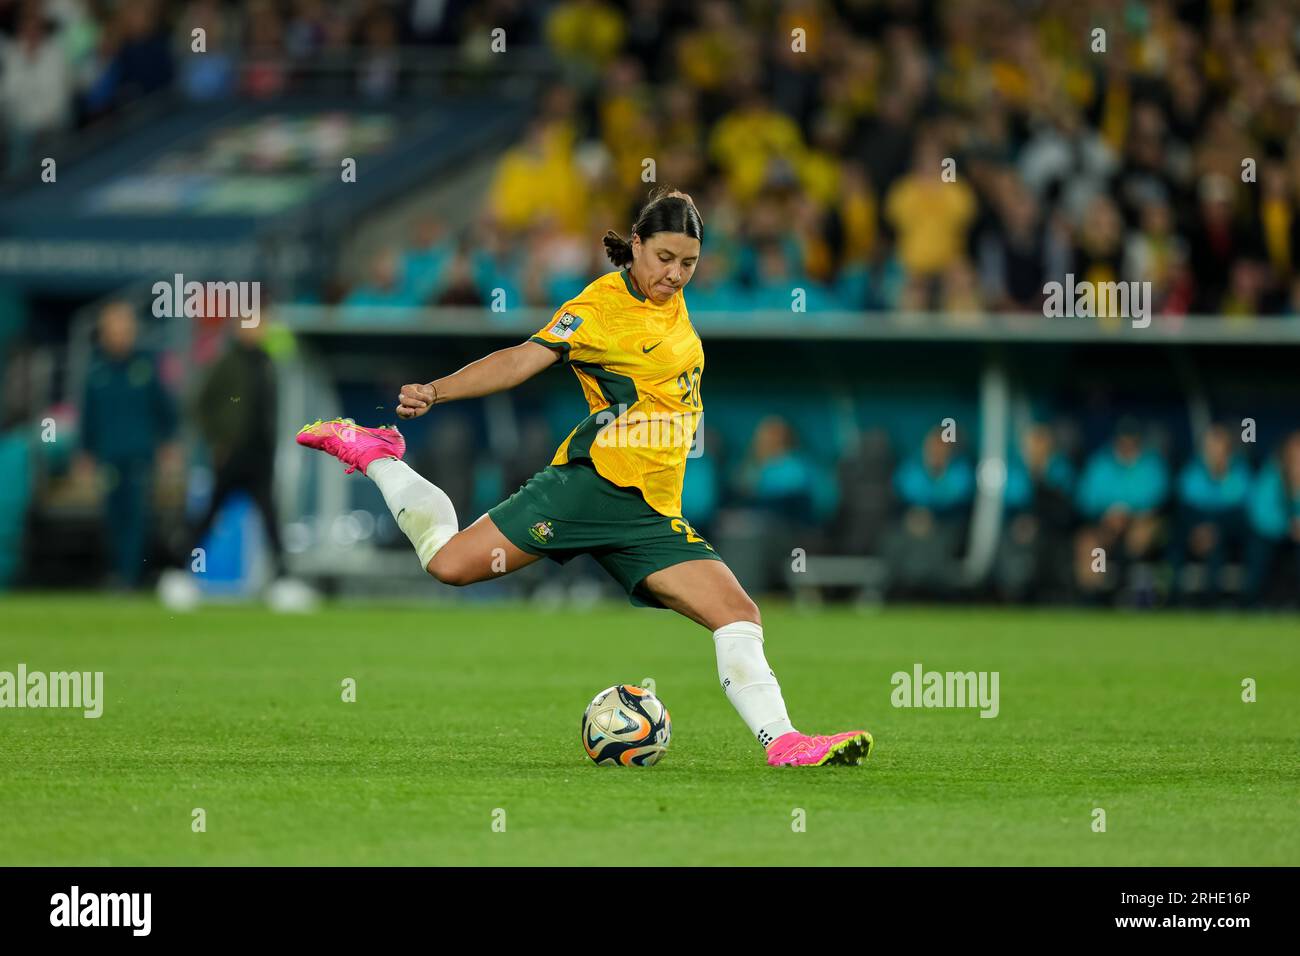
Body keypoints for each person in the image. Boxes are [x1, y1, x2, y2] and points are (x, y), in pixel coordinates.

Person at [297, 187, 871, 767]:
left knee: (738, 613)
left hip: (649, 513)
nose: (675, 274)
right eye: (664, 259)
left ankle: (785, 743)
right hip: (591, 487)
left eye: (689, 263)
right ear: (637, 246)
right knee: (448, 564)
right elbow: (522, 358)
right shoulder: (598, 308)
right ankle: (374, 453)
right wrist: (437, 390)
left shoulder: (670, 303)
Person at [78, 302, 179, 587]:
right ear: (105, 332)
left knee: (136, 517)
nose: (121, 335)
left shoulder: (145, 367)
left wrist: (169, 445)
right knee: (113, 517)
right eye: (115, 329)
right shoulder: (96, 371)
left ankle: (129, 577)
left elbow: (166, 411)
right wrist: (85, 453)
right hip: (109, 456)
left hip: (139, 455)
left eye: (125, 328)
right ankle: (117, 573)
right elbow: (89, 417)